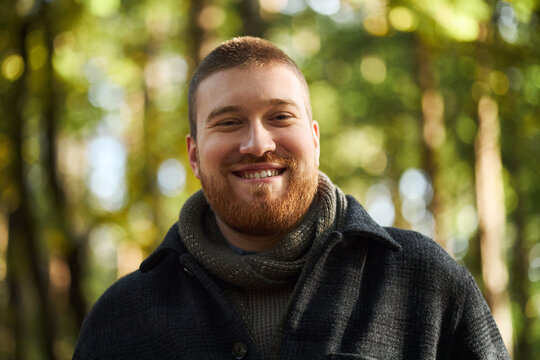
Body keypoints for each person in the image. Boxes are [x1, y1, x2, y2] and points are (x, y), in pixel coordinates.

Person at [73, 36, 509, 359]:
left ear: (314, 140)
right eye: (228, 122)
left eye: (280, 116)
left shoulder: (425, 283)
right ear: (193, 154)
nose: (257, 143)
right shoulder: (121, 321)